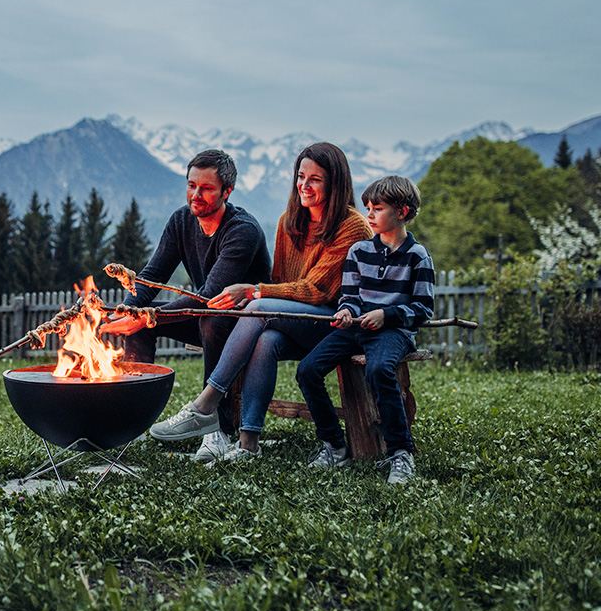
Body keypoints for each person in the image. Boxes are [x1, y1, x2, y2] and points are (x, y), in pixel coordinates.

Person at [148, 142, 371, 462]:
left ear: (335, 183)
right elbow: (281, 282)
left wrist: (254, 291)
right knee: (265, 339)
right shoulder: (289, 222)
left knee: (258, 306)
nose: (304, 186)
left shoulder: (352, 226)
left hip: (335, 324)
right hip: (298, 322)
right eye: (300, 176)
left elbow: (318, 290)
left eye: (315, 180)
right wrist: (263, 293)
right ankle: (248, 444)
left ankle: (206, 404)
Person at [98, 149, 271, 461]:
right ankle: (134, 419)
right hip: (209, 315)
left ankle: (217, 429)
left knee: (210, 319)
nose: (196, 194)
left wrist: (148, 317)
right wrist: (130, 310)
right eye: (192, 185)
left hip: (249, 325)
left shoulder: (242, 230)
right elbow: (151, 277)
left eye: (206, 188)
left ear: (227, 192)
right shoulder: (181, 221)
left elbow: (207, 297)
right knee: (141, 325)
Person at [294, 175, 434, 485]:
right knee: (308, 370)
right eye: (367, 208)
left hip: (393, 332)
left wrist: (387, 315)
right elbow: (351, 297)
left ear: (403, 211)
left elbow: (423, 310)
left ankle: (400, 452)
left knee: (379, 370)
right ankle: (333, 444)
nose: (368, 215)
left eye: (377, 209)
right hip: (356, 329)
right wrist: (347, 312)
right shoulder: (358, 252)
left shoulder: (418, 256)